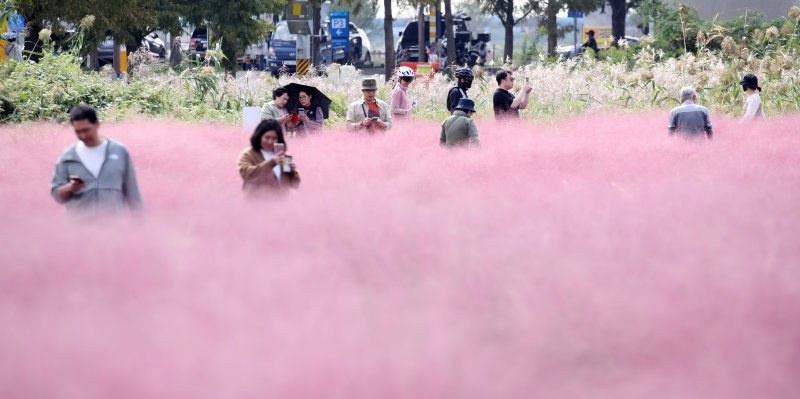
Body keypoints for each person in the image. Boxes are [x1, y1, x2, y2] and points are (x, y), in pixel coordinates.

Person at [50, 104, 142, 214]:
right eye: (78, 132)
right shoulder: (68, 156)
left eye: (86, 130)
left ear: (97, 124)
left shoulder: (119, 151)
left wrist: (140, 223)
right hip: (78, 227)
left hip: (115, 226)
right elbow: (57, 194)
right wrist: (70, 188)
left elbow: (132, 192)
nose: (83, 136)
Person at [237, 119, 300, 196]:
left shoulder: (283, 155)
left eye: (274, 138)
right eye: (267, 137)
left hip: (281, 204)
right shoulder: (248, 154)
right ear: (259, 136)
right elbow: (247, 175)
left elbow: (295, 184)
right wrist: (271, 162)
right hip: (256, 203)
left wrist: (292, 172)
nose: (270, 142)